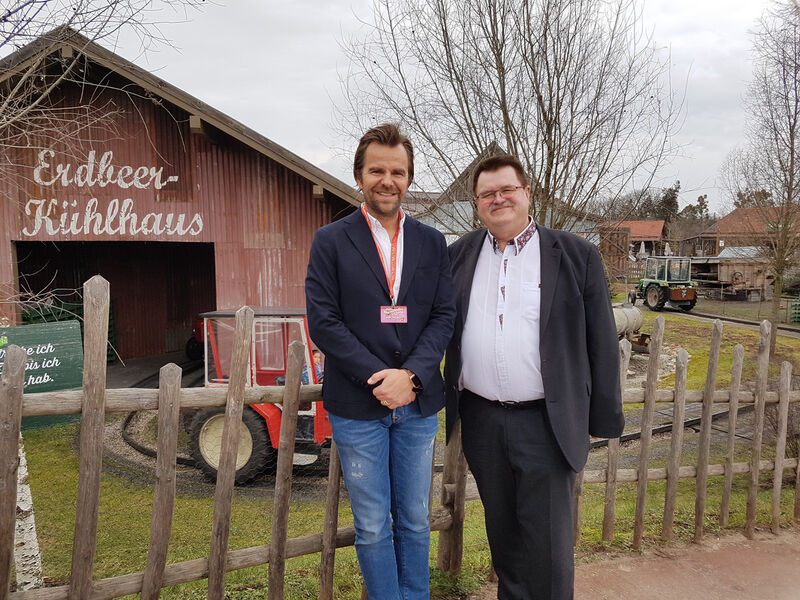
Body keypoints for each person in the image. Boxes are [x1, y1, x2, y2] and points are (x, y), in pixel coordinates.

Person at [444, 154, 624, 600]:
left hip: (547, 421)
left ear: (527, 194)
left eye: (507, 189)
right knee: (504, 539)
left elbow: (601, 340)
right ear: (476, 203)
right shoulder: (458, 256)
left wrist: (601, 418)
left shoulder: (575, 255)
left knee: (548, 548)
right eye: (487, 193)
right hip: (482, 420)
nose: (498, 199)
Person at [305, 123, 455, 599]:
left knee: (414, 519)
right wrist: (381, 377)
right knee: (372, 526)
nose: (387, 180)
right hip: (358, 405)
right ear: (359, 176)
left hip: (417, 402)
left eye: (398, 172)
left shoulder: (431, 242)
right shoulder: (330, 240)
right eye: (377, 171)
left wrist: (411, 375)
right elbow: (324, 321)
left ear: (408, 178)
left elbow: (443, 315)